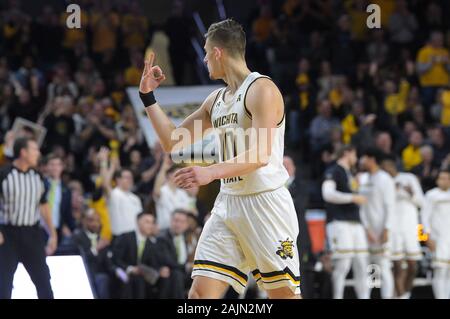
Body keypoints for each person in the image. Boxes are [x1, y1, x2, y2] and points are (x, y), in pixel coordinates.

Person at [139, 19, 300, 299]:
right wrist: (148, 97)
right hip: (228, 202)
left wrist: (211, 172)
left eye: (205, 52)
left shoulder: (262, 89)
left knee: (283, 296)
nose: (203, 59)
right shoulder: (215, 100)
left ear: (217, 52)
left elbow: (260, 155)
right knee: (199, 296)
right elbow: (173, 141)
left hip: (265, 202)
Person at [0, 137, 57, 298]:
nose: (38, 153)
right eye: (34, 150)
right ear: (23, 152)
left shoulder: (38, 177)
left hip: (32, 233)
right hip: (7, 235)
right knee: (3, 284)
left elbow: (44, 205)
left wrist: (53, 233)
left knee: (44, 281)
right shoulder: (4, 174)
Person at [321, 145, 370, 299]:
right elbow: (327, 194)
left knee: (362, 264)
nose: (356, 159)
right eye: (355, 154)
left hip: (356, 222)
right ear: (347, 153)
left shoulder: (352, 173)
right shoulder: (333, 170)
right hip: (339, 222)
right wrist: (352, 197)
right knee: (343, 264)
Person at [381, 155, 424, 299]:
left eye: (388, 165)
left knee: (413, 265)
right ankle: (400, 296)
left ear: (393, 165)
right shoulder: (383, 182)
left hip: (411, 227)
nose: (386, 169)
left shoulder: (409, 178)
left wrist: (410, 193)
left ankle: (405, 293)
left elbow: (421, 202)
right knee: (397, 265)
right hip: (392, 228)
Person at [358, 148, 396, 299]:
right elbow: (361, 207)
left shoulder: (385, 178)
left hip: (382, 231)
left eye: (364, 158)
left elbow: (390, 206)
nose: (361, 161)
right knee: (367, 268)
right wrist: (366, 229)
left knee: (384, 267)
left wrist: (387, 229)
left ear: (371, 159)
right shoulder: (363, 179)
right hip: (366, 231)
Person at [111, 212, 171, 299]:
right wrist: (131, 269)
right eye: (147, 222)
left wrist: (160, 270)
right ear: (138, 222)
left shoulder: (152, 244)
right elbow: (115, 259)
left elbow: (153, 264)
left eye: (152, 222)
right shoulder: (125, 237)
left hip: (143, 276)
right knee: (137, 280)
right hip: (124, 273)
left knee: (166, 277)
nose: (150, 225)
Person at [98, 147, 143, 238]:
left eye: (130, 177)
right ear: (118, 180)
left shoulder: (136, 198)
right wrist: (104, 162)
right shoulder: (115, 194)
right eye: (126, 177)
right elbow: (105, 184)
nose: (129, 180)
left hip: (135, 238)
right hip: (119, 237)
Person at [422, 170, 450, 299]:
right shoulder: (431, 195)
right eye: (441, 178)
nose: (444, 181)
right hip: (437, 239)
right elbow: (423, 218)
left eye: (446, 178)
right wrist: (425, 238)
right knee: (440, 271)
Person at [71, 209, 111, 299]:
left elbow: (107, 264)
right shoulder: (77, 237)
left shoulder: (102, 239)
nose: (95, 224)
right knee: (101, 279)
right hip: (84, 273)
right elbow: (80, 259)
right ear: (84, 221)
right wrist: (96, 248)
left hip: (100, 274)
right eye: (91, 220)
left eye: (97, 221)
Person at [44, 154, 75, 245]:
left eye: (58, 165)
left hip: (57, 229)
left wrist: (70, 229)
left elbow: (67, 212)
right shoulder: (40, 185)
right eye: (52, 164)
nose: (55, 168)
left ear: (62, 167)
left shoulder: (66, 190)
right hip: (40, 228)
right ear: (46, 167)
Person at [158, 209, 190, 298]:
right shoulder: (162, 237)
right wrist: (187, 266)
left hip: (184, 273)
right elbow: (168, 261)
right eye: (176, 220)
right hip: (169, 273)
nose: (178, 225)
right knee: (176, 274)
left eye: (182, 222)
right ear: (171, 221)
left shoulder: (186, 237)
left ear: (187, 225)